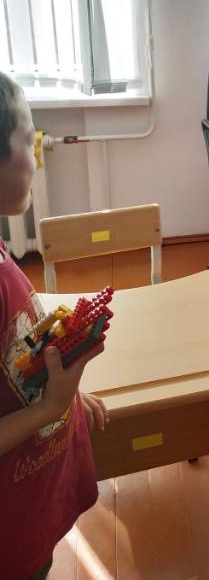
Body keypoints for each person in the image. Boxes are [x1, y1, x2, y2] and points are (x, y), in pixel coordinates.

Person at [0, 72, 108, 580]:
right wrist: (50, 407)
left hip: (28, 506)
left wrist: (61, 394)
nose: (36, 157)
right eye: (29, 141)